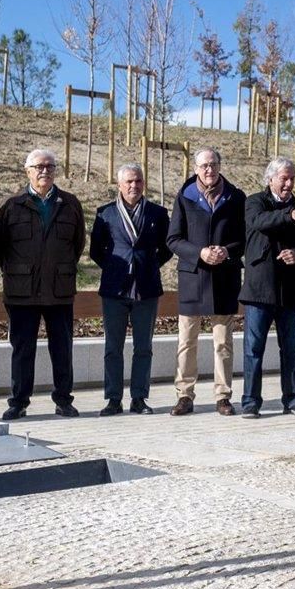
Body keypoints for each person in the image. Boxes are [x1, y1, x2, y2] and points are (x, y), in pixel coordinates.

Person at [0, 148, 87, 421]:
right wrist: (18, 272)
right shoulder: (12, 206)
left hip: (59, 291)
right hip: (22, 293)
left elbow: (77, 244)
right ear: (27, 171)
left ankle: (63, 400)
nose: (44, 171)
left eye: (49, 166)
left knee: (62, 349)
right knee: (23, 350)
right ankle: (19, 402)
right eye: (38, 166)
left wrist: (59, 269)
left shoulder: (70, 204)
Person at [167, 148, 246, 416]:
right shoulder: (184, 196)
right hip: (193, 276)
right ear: (195, 168)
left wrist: (228, 251)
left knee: (223, 342)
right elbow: (173, 239)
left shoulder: (236, 197)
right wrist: (199, 252)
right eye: (204, 166)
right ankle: (184, 395)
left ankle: (223, 396)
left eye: (213, 165)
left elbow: (244, 239)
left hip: (225, 277)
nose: (209, 170)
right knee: (187, 340)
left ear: (219, 166)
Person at [89, 163, 171, 416]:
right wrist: (117, 268)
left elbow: (167, 246)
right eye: (129, 182)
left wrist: (147, 264)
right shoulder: (106, 213)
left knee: (143, 347)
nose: (134, 186)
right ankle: (113, 398)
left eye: (138, 181)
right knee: (113, 347)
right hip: (115, 289)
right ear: (119, 185)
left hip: (146, 288)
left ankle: (139, 398)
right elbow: (96, 250)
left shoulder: (157, 213)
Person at [240, 157, 295, 418]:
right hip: (259, 290)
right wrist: (288, 214)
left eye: (292, 178)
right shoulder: (254, 202)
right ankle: (250, 401)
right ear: (270, 179)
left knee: (292, 350)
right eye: (284, 178)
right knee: (253, 349)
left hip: (288, 291)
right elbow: (260, 222)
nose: (289, 183)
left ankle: (292, 399)